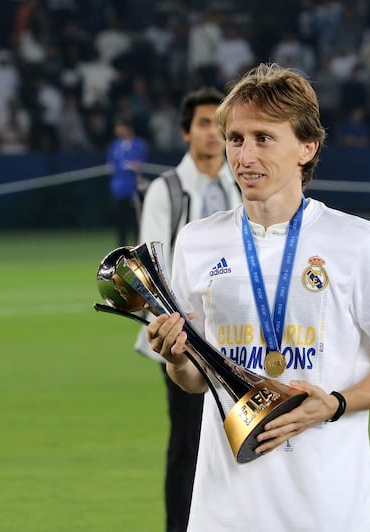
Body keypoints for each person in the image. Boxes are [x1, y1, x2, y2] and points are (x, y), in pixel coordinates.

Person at [145, 63, 370, 532]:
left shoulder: (356, 242)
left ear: (307, 147)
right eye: (235, 138)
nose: (244, 155)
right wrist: (175, 358)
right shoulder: (197, 243)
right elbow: (196, 378)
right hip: (225, 511)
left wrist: (336, 403)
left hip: (326, 509)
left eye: (263, 138)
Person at [134, 86, 242, 532]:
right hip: (183, 339)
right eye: (203, 123)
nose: (213, 134)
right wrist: (178, 337)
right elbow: (151, 267)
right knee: (188, 443)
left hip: (239, 338)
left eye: (219, 124)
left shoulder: (242, 182)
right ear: (185, 132)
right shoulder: (168, 190)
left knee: (236, 439)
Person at [106, 118, 147, 246]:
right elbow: (110, 165)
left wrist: (135, 166)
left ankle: (138, 247)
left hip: (134, 188)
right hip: (119, 188)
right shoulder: (114, 145)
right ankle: (121, 248)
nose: (116, 131)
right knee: (120, 221)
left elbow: (141, 163)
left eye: (119, 127)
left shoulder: (139, 144)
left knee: (136, 220)